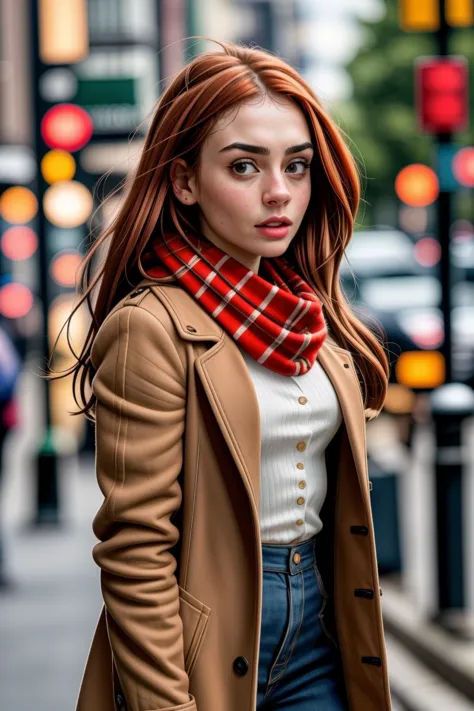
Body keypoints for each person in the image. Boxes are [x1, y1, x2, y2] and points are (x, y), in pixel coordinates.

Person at [50, 39, 391, 711]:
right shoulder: (151, 326)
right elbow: (136, 551)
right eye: (244, 166)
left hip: (319, 631)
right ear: (182, 180)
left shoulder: (308, 315)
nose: (279, 193)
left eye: (297, 166)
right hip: (204, 641)